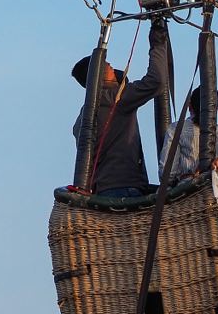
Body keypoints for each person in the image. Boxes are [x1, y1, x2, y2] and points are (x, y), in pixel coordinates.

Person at [71, 18, 168, 197]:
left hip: (103, 189)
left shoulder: (84, 115)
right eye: (108, 67)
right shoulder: (115, 98)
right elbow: (157, 82)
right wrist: (158, 41)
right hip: (125, 187)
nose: (113, 68)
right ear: (98, 76)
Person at [161, 86, 218, 184]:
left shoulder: (176, 129)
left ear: (190, 106)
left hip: (189, 192)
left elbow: (167, 174)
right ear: (216, 110)